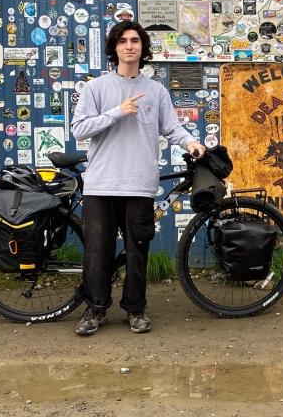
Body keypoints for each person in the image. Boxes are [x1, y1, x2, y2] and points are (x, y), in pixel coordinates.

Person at [70, 20, 205, 336]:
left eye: (135, 41)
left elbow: (172, 128)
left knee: (137, 250)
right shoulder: (96, 88)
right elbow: (79, 129)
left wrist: (191, 142)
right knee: (97, 252)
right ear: (114, 48)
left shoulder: (156, 91)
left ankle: (135, 309)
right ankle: (96, 309)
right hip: (102, 184)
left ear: (143, 48)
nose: (129, 46)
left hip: (139, 184)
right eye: (122, 41)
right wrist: (117, 112)